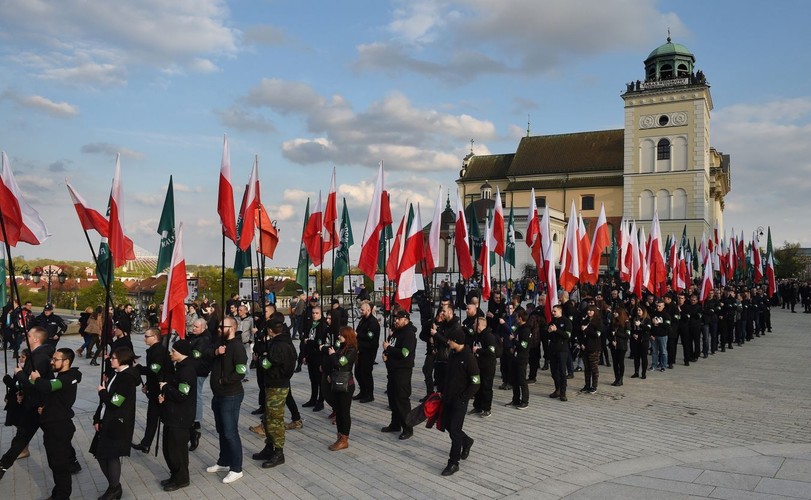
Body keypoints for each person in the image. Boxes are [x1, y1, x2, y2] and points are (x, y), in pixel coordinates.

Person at [0, 326, 62, 479]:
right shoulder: (35, 355)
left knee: (52, 437)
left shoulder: (39, 358)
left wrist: (20, 373)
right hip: (33, 404)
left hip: (39, 406)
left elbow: (35, 383)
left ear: (35, 339)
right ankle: (3, 466)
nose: (25, 336)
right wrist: (20, 393)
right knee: (24, 437)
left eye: (28, 335)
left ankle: (69, 463)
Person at [91, 346, 142, 500]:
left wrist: (102, 392)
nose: (110, 360)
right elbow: (105, 402)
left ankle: (114, 488)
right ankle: (114, 486)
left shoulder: (126, 379)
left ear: (122, 359)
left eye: (113, 358)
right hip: (106, 419)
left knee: (111, 455)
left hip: (117, 422)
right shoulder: (116, 373)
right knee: (100, 453)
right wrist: (97, 418)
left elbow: (115, 403)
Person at [31, 347, 81, 500]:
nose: (52, 362)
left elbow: (48, 386)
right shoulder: (63, 376)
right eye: (52, 358)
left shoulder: (66, 378)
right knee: (54, 464)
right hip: (53, 426)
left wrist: (36, 378)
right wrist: (45, 408)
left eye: (55, 359)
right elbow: (55, 396)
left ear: (66, 362)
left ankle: (62, 496)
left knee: (60, 466)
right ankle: (57, 493)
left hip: (59, 428)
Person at [205, 316, 247, 484]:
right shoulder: (219, 343)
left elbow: (241, 371)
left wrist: (226, 380)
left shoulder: (237, 346)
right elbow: (205, 353)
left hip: (231, 394)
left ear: (233, 328)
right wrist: (217, 352)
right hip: (218, 394)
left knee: (230, 432)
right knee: (221, 430)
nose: (219, 329)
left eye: (223, 327)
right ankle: (224, 461)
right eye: (219, 326)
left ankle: (236, 468)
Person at [252, 321, 297, 468]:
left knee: (275, 420)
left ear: (271, 330)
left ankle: (278, 451)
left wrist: (262, 359)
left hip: (277, 385)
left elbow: (268, 364)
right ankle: (269, 447)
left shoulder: (279, 346)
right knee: (268, 417)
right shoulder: (284, 342)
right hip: (274, 384)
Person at [439, 327, 480, 476]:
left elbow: (476, 383)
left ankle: (453, 463)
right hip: (448, 398)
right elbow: (448, 376)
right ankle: (467, 441)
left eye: (450, 340)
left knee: (454, 431)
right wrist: (442, 391)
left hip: (459, 401)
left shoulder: (469, 358)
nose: (448, 342)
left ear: (456, 341)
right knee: (447, 426)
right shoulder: (453, 354)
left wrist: (463, 398)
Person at [157, 339, 197, 492]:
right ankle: (174, 475)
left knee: (177, 451)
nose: (171, 353)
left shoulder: (187, 370)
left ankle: (182, 479)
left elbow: (182, 395)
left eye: (173, 351)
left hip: (180, 418)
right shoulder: (179, 366)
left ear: (182, 353)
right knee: (168, 449)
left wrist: (166, 388)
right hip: (172, 415)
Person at [132, 327, 172, 454]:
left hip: (163, 389)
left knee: (168, 417)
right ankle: (146, 444)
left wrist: (139, 368)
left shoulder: (159, 351)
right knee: (152, 417)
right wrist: (148, 385)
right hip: (155, 388)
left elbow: (154, 369)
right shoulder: (153, 350)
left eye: (146, 336)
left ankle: (192, 434)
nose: (144, 338)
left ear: (154, 337)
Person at [381, 310, 417, 440]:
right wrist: (386, 354)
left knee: (402, 400)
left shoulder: (409, 335)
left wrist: (388, 348)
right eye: (395, 318)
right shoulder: (396, 332)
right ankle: (395, 424)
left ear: (406, 320)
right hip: (392, 371)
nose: (396, 321)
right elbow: (390, 346)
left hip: (402, 372)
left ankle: (407, 428)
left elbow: (404, 353)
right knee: (392, 399)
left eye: (398, 319)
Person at [326, 326, 357, 451]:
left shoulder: (351, 350)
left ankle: (344, 438)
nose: (339, 337)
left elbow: (340, 363)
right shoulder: (341, 347)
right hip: (337, 382)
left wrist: (333, 355)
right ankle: (339, 436)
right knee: (339, 411)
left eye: (341, 335)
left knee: (344, 412)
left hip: (346, 384)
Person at [187, 318, 212, 451]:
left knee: (197, 394)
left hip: (199, 370)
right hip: (195, 369)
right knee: (194, 394)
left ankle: (197, 420)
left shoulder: (204, 339)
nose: (193, 328)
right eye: (193, 326)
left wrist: (186, 353)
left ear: (203, 327)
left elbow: (197, 354)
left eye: (196, 327)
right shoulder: (197, 337)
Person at [302, 306, 328, 411]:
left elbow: (320, 341)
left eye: (317, 313)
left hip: (319, 355)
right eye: (313, 313)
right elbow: (304, 339)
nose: (314, 315)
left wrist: (309, 342)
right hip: (310, 355)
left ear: (321, 314)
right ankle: (313, 399)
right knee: (312, 379)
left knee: (319, 379)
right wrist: (304, 355)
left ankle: (320, 401)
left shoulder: (323, 325)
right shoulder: (310, 324)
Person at [354, 300, 380, 403]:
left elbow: (370, 336)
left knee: (366, 373)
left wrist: (358, 335)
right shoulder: (363, 320)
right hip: (360, 349)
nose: (361, 311)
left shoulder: (373, 322)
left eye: (362, 310)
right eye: (360, 310)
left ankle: (369, 394)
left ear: (368, 310)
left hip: (369, 350)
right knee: (358, 372)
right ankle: (362, 391)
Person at [470, 316, 496, 418]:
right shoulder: (477, 335)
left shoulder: (489, 336)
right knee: (478, 387)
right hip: (478, 365)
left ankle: (486, 408)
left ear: (479, 325)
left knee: (486, 387)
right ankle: (477, 406)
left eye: (475, 323)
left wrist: (478, 350)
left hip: (488, 366)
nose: (473, 325)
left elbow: (491, 351)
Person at [506, 309, 531, 408]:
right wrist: (513, 347)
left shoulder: (526, 330)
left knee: (522, 380)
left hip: (522, 358)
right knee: (515, 380)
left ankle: (525, 401)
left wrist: (513, 340)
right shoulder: (519, 328)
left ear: (520, 318)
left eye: (517, 317)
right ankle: (515, 399)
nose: (516, 319)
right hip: (515, 356)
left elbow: (523, 346)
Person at [547, 304, 572, 401]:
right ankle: (557, 389)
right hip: (553, 349)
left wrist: (556, 330)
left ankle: (563, 392)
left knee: (562, 371)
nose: (553, 313)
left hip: (562, 349)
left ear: (560, 311)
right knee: (554, 372)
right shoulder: (552, 322)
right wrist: (549, 332)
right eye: (552, 311)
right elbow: (548, 335)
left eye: (555, 311)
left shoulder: (566, 321)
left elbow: (567, 335)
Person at [578, 306, 602, 394]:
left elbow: (597, 335)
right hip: (585, 347)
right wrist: (581, 343)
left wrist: (587, 330)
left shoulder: (598, 322)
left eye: (591, 311)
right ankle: (587, 385)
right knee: (587, 368)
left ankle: (594, 386)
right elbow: (579, 333)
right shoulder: (585, 321)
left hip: (594, 348)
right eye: (588, 310)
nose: (589, 312)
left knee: (594, 368)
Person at [610, 305, 630, 386]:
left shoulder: (626, 323)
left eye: (616, 312)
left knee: (620, 362)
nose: (614, 313)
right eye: (614, 312)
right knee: (615, 362)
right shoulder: (613, 322)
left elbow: (627, 335)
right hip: (613, 345)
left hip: (622, 345)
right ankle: (616, 378)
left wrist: (617, 334)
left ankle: (620, 379)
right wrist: (611, 340)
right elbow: (609, 332)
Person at [630, 305, 652, 379]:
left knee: (644, 357)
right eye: (637, 310)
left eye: (640, 310)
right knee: (636, 357)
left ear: (643, 311)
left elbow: (648, 328)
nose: (638, 312)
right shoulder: (635, 319)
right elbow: (632, 328)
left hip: (644, 341)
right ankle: (636, 372)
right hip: (636, 340)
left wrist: (640, 325)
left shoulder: (647, 320)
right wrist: (633, 334)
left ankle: (643, 373)